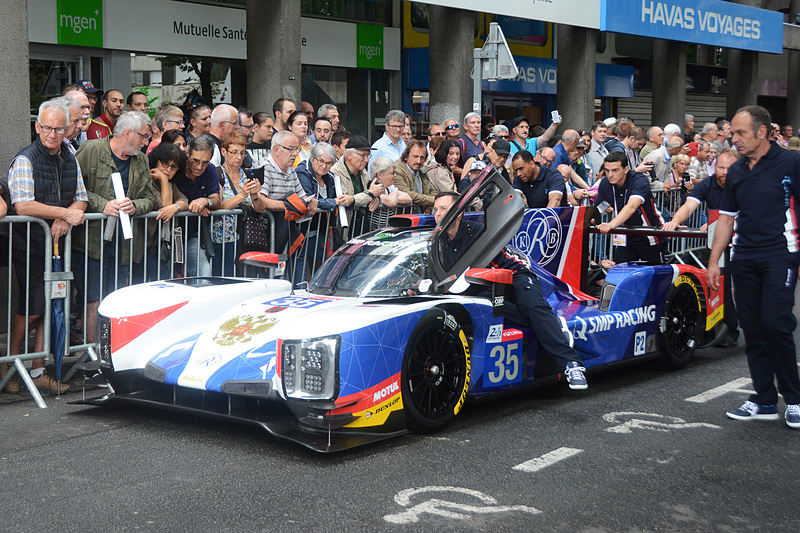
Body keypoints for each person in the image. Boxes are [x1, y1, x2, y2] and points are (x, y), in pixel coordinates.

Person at [432, 191, 587, 389]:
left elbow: (502, 265)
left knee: (531, 306)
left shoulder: (476, 231)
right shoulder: (439, 242)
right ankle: (552, 325)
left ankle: (572, 364)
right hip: (488, 286)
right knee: (490, 310)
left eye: (443, 209)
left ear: (458, 212)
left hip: (516, 275)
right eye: (435, 209)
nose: (438, 214)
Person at [707, 105, 800, 428]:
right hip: (743, 257)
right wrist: (714, 261)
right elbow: (726, 219)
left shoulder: (792, 163)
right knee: (755, 329)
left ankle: (795, 398)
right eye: (732, 133)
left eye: (740, 133)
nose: (734, 139)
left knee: (776, 323)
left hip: (780, 254)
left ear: (762, 132)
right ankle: (763, 400)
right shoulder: (736, 170)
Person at [4, 99, 88, 394]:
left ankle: (38, 370)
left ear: (67, 130)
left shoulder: (69, 155)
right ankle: (10, 364)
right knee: (33, 308)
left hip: (57, 243)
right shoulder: (26, 159)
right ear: (37, 126)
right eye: (47, 128)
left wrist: (67, 217)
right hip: (29, 243)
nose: (52, 134)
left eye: (59, 129)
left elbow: (81, 197)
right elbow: (23, 204)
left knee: (53, 304)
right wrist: (64, 213)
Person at [73, 111, 154, 345]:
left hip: (124, 243)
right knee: (93, 301)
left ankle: (111, 353)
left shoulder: (141, 160)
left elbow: (150, 197)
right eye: (143, 136)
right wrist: (102, 205)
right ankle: (91, 356)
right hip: (91, 242)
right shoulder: (91, 150)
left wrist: (135, 206)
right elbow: (74, 187)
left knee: (114, 300)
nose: (146, 142)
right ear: (127, 133)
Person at [662, 148, 740, 347]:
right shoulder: (709, 183)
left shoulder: (747, 183)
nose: (724, 172)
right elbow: (689, 206)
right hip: (721, 242)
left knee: (747, 288)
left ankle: (754, 329)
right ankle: (724, 329)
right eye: (720, 167)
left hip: (747, 242)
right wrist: (674, 221)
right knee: (718, 281)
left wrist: (722, 221)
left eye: (728, 169)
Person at [594, 151, 666, 263]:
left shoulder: (639, 180)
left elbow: (632, 206)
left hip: (649, 233)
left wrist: (610, 224)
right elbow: (598, 209)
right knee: (621, 273)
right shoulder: (605, 183)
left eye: (615, 170)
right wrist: (587, 221)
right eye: (607, 170)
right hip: (625, 235)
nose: (610, 175)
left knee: (653, 275)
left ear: (626, 169)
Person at [212, 132, 265, 276]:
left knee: (243, 277)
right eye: (234, 152)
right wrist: (242, 195)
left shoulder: (247, 175)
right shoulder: (217, 173)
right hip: (222, 238)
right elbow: (219, 206)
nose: (239, 157)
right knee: (224, 276)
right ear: (224, 151)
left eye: (242, 153)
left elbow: (260, 208)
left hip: (245, 237)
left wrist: (254, 195)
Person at [135, 142, 189, 282]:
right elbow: (164, 204)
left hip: (158, 244)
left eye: (173, 167)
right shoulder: (148, 180)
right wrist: (164, 179)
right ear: (156, 161)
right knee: (156, 277)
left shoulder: (172, 184)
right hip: (141, 245)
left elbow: (184, 200)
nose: (168, 169)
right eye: (165, 164)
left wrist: (175, 207)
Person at [295, 142, 347, 282]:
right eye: (321, 161)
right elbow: (309, 199)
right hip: (302, 229)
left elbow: (337, 198)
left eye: (329, 163)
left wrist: (325, 202)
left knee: (320, 263)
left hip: (320, 230)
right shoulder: (302, 171)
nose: (324, 166)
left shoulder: (330, 177)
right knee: (300, 263)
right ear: (313, 158)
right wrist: (333, 202)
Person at [174, 135, 220, 277]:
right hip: (166, 234)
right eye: (196, 161)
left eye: (205, 162)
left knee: (204, 272)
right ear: (188, 153)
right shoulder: (176, 166)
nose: (200, 167)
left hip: (189, 234)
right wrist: (188, 206)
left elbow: (217, 200)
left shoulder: (210, 170)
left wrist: (205, 201)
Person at [365, 157, 412, 231]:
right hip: (371, 233)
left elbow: (408, 198)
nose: (395, 176)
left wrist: (392, 195)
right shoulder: (371, 187)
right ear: (380, 175)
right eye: (392, 173)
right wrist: (392, 196)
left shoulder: (389, 188)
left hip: (385, 232)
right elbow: (392, 202)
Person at [394, 140, 436, 210]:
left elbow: (432, 190)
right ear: (406, 157)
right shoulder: (396, 171)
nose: (418, 161)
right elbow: (407, 194)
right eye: (415, 157)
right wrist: (431, 200)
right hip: (404, 217)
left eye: (422, 158)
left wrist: (436, 198)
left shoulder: (422, 172)